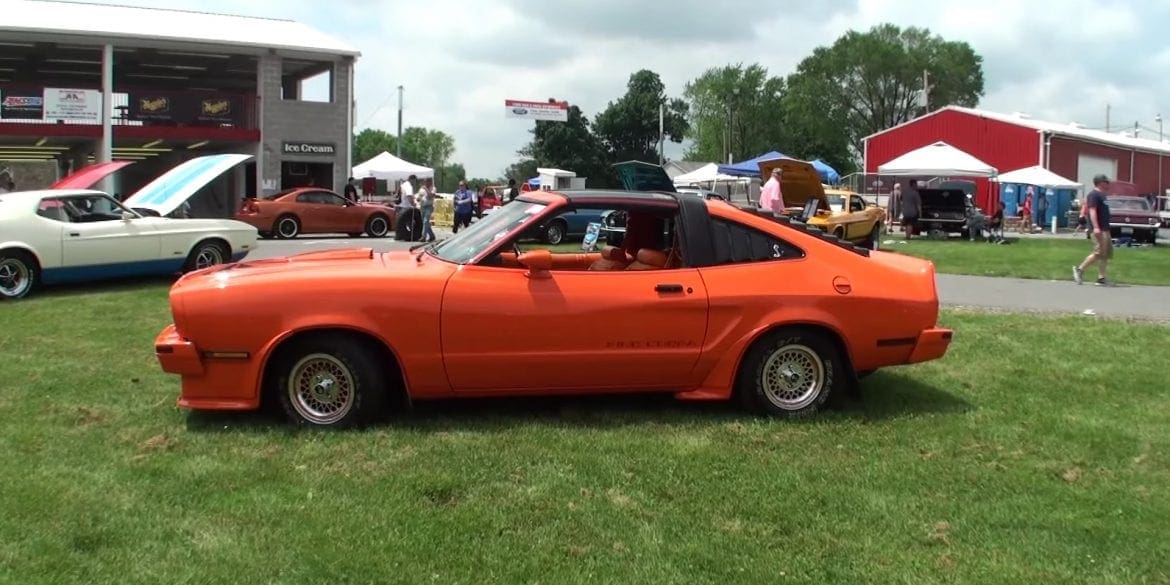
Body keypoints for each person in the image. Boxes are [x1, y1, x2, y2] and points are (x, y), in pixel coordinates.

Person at [1073, 174, 1114, 286]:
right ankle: (1079, 270)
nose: (1108, 183)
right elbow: (1092, 211)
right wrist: (1096, 227)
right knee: (1099, 252)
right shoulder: (1093, 195)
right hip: (1099, 229)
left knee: (1106, 254)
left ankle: (1101, 278)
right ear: (1100, 182)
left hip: (1105, 228)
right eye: (1106, 182)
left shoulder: (1103, 195)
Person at [417, 177, 436, 242]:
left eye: (428, 181)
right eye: (425, 181)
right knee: (425, 223)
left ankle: (423, 237)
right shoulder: (421, 189)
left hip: (429, 206)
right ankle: (432, 235)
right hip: (422, 206)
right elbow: (419, 197)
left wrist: (426, 189)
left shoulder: (433, 188)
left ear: (430, 182)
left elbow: (431, 195)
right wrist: (418, 199)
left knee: (425, 221)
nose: (426, 183)